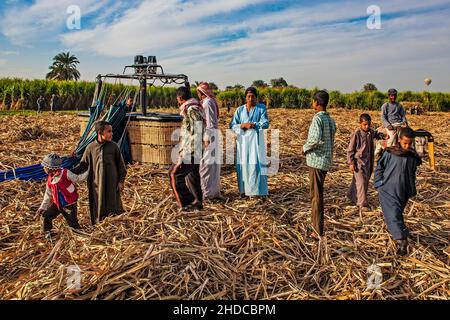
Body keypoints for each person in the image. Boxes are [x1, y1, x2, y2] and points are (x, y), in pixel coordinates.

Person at [374, 127, 421, 256]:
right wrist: (379, 183)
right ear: (399, 140)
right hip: (388, 190)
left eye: (410, 143)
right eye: (405, 142)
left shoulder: (412, 157)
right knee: (392, 216)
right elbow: (380, 168)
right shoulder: (390, 153)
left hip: (403, 191)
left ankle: (402, 232)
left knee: (397, 214)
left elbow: (412, 174)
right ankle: (402, 240)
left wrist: (411, 190)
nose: (407, 146)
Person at [71, 121, 127, 225]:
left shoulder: (114, 147)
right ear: (100, 132)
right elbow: (83, 165)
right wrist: (69, 171)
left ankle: (114, 224)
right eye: (108, 131)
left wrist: (121, 181)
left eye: (111, 131)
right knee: (98, 203)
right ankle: (99, 224)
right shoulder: (90, 148)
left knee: (113, 203)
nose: (112, 134)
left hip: (112, 183)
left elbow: (121, 167)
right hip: (96, 184)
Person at [303, 90, 336, 239]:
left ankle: (316, 231)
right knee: (318, 194)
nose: (312, 103)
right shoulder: (330, 120)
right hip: (325, 161)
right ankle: (316, 227)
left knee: (316, 196)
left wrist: (304, 148)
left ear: (316, 103)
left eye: (313, 101)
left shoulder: (318, 119)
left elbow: (314, 139)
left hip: (316, 162)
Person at [169, 86, 205, 211]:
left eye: (177, 99)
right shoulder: (193, 107)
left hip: (192, 150)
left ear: (180, 98)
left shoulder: (191, 110)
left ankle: (187, 202)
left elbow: (196, 133)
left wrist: (184, 155)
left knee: (174, 174)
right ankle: (198, 204)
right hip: (195, 150)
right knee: (192, 177)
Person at [229, 87, 269, 197]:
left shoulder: (261, 108)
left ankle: (256, 191)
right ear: (245, 97)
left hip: (255, 142)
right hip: (243, 142)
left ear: (256, 97)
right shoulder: (239, 110)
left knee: (255, 164)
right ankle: (244, 190)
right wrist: (242, 125)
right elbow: (232, 125)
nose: (250, 99)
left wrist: (254, 124)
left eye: (253, 96)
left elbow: (265, 123)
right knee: (243, 164)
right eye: (248, 96)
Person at [37, 154, 86, 238]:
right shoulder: (50, 178)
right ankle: (48, 233)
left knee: (72, 223)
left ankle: (81, 236)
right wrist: (42, 207)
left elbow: (78, 179)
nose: (43, 168)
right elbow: (48, 194)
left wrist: (89, 172)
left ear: (50, 168)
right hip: (57, 204)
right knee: (46, 216)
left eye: (44, 166)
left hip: (68, 204)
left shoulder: (66, 173)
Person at [347, 114, 386, 219]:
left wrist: (382, 136)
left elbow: (376, 135)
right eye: (364, 124)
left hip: (368, 162)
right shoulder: (356, 134)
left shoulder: (370, 132)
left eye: (368, 124)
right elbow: (350, 150)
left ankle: (351, 195)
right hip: (358, 162)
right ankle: (362, 204)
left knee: (363, 180)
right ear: (360, 123)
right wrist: (351, 163)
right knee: (361, 182)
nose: (366, 126)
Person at [197, 82, 221, 200]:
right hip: (213, 134)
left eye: (199, 92)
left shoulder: (207, 103)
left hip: (210, 135)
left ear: (201, 93)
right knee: (212, 166)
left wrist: (206, 137)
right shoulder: (210, 101)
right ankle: (212, 191)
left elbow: (210, 123)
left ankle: (207, 192)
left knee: (206, 166)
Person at [374, 89, 408, 161]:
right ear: (389, 96)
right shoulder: (385, 106)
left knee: (406, 138)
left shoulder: (399, 106)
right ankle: (389, 156)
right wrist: (388, 125)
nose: (393, 97)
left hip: (399, 124)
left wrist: (405, 122)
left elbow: (403, 116)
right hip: (391, 125)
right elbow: (383, 117)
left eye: (395, 95)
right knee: (391, 141)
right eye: (391, 96)